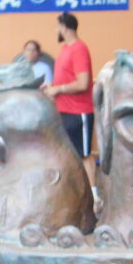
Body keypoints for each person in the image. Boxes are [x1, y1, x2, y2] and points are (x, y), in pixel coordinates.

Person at [42, 12, 94, 184]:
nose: (56, 30)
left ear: (64, 27)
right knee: (68, 154)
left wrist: (58, 89)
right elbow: (65, 77)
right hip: (63, 110)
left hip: (79, 112)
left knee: (85, 155)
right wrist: (50, 86)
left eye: (58, 26)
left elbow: (83, 83)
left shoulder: (79, 48)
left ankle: (95, 197)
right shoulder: (65, 49)